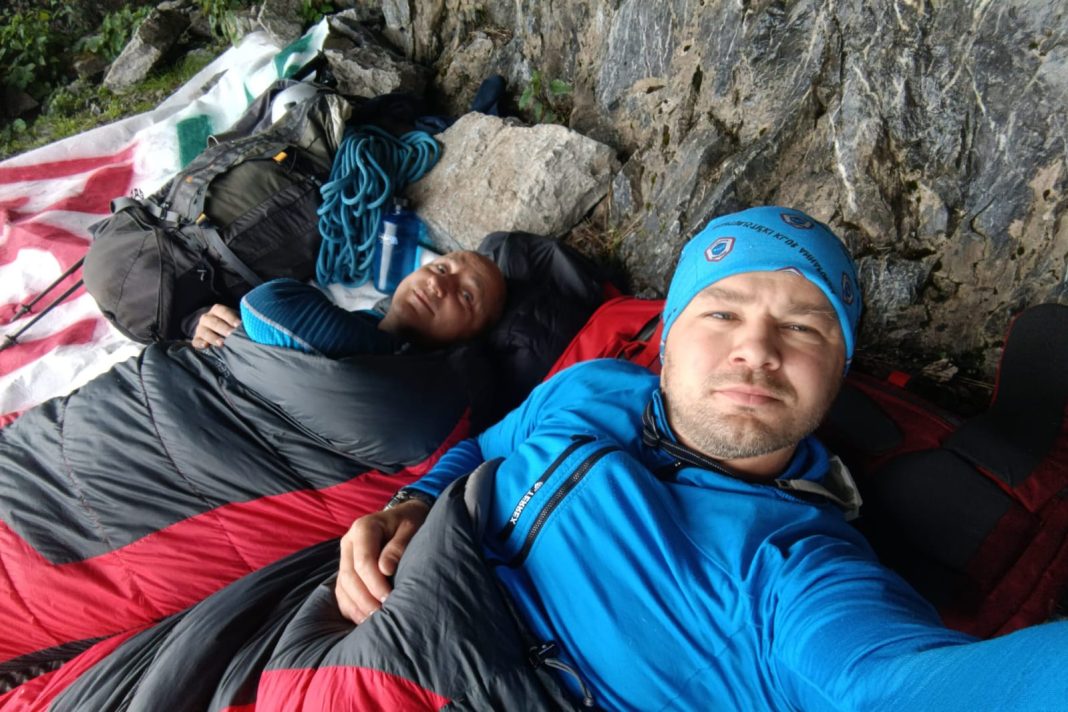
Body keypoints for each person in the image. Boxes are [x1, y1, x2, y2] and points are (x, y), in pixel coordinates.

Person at [334, 206, 1067, 710]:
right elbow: (483, 448)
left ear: (837, 371)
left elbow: (898, 685)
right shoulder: (590, 386)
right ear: (668, 336)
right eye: (721, 312)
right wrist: (412, 503)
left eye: (805, 328)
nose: (757, 348)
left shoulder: (795, 567)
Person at [190, 249, 506, 355]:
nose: (437, 284)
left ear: (472, 337)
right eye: (441, 268)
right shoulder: (362, 324)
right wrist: (208, 328)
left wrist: (241, 334)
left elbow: (268, 306)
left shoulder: (403, 375)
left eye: (466, 295)